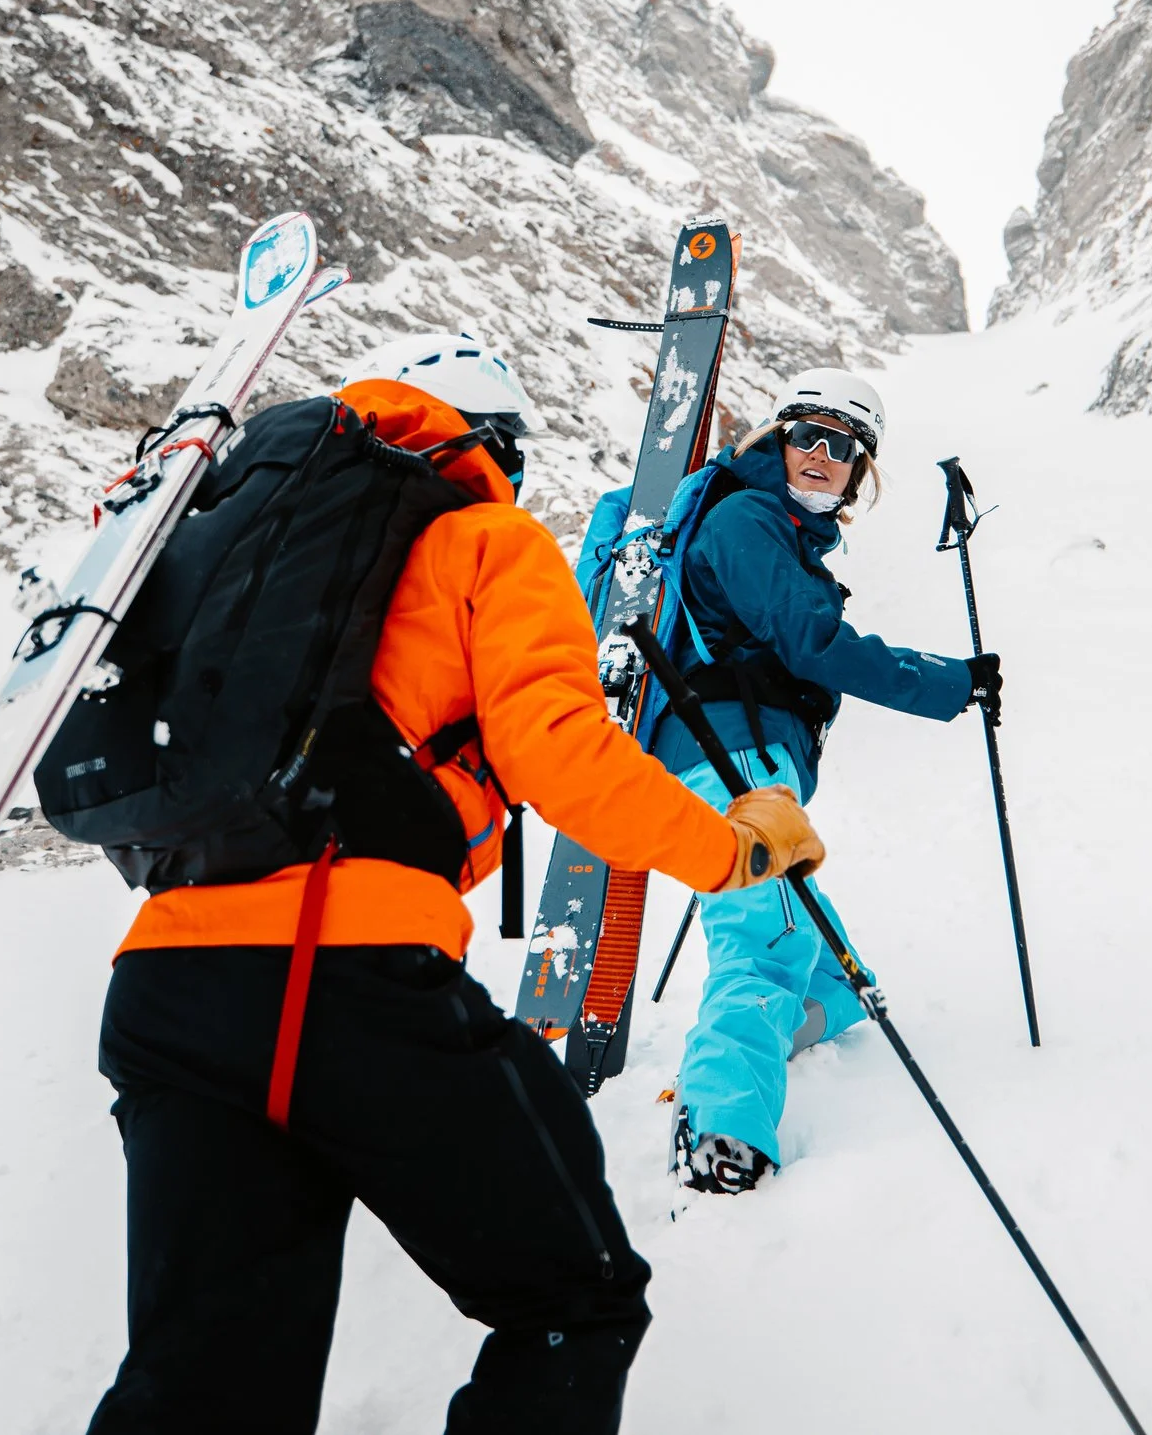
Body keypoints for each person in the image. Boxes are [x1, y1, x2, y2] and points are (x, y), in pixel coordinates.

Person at [86, 338, 826, 1435]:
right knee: (576, 1297)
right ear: (485, 442)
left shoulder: (220, 554)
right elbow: (562, 751)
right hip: (352, 986)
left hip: (168, 990)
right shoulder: (483, 537)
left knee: (207, 1380)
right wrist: (733, 850)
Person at [651, 367, 1003, 1194]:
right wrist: (949, 682)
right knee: (766, 945)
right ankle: (720, 1134)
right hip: (729, 753)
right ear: (778, 438)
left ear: (858, 469)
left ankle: (758, 1039)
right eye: (806, 433)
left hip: (755, 758)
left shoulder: (778, 530)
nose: (820, 453)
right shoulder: (746, 518)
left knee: (838, 982)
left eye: (842, 444)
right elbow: (812, 644)